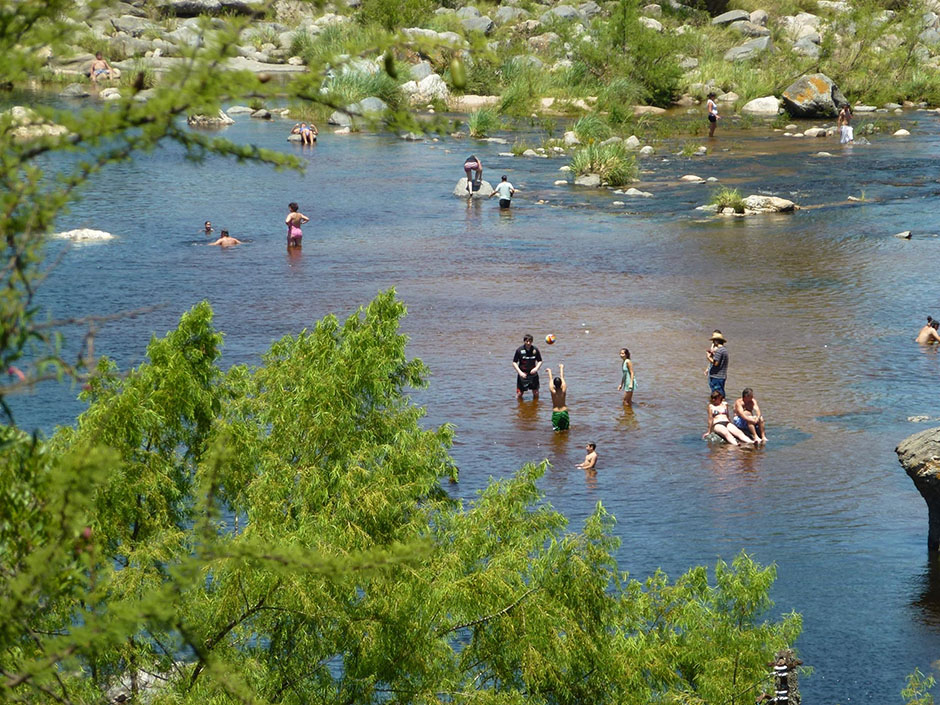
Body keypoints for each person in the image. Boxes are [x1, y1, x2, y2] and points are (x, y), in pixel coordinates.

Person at [512, 334, 542, 400]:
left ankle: (535, 407)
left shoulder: (535, 350)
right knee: (520, 394)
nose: (528, 343)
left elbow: (540, 361)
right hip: (523, 374)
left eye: (530, 341)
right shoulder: (519, 350)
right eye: (527, 341)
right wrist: (520, 373)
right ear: (524, 341)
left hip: (533, 374)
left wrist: (536, 368)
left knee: (536, 392)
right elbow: (514, 362)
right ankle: (518, 407)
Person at [545, 364, 569, 431]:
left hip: (556, 413)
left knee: (556, 431)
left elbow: (550, 380)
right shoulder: (563, 390)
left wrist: (549, 371)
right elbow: (562, 377)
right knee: (566, 430)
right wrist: (561, 368)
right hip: (564, 412)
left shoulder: (553, 392)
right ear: (561, 384)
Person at [705, 330, 728, 397]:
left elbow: (716, 363)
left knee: (717, 395)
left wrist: (708, 357)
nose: (713, 342)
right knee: (720, 394)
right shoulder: (724, 350)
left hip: (716, 376)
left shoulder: (719, 351)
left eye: (714, 341)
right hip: (721, 376)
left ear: (716, 341)